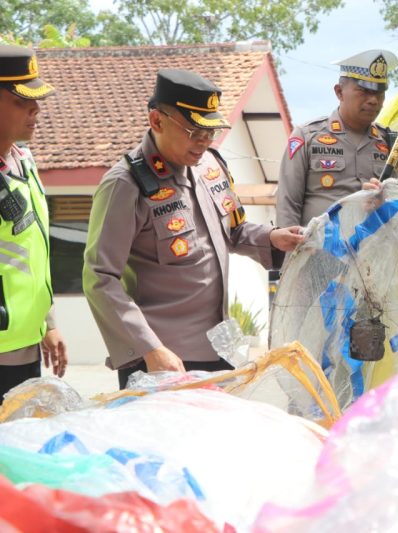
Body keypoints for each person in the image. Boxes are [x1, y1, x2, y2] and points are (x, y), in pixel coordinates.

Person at [83, 69, 303, 389]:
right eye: (194, 131)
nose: (204, 142)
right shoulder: (125, 185)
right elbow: (99, 278)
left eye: (210, 132)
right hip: (161, 358)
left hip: (218, 347)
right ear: (157, 121)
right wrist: (150, 348)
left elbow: (235, 232)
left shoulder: (210, 166)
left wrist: (271, 237)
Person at [277, 49, 398, 228]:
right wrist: (293, 252)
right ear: (339, 92)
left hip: (371, 252)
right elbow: (287, 206)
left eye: (379, 93)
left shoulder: (391, 144)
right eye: (364, 91)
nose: (373, 100)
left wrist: (384, 202)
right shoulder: (307, 137)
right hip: (317, 252)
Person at [0, 45, 67, 401]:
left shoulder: (23, 160)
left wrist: (48, 322)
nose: (35, 110)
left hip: (24, 345)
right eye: (22, 100)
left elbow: (31, 251)